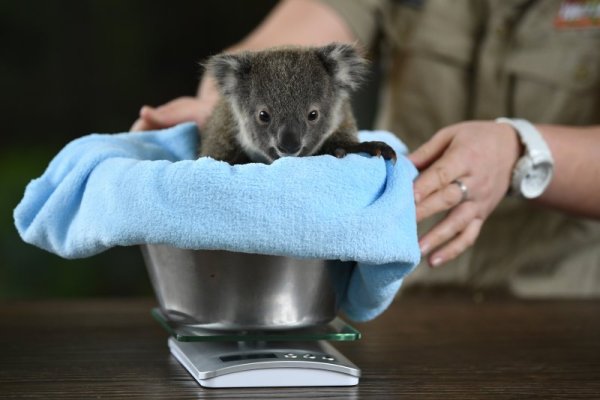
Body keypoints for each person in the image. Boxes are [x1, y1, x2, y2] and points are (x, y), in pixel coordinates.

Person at [131, 0, 600, 297]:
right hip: (394, 281)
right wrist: (222, 110)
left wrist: (522, 150)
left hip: (562, 297)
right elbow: (289, 42)